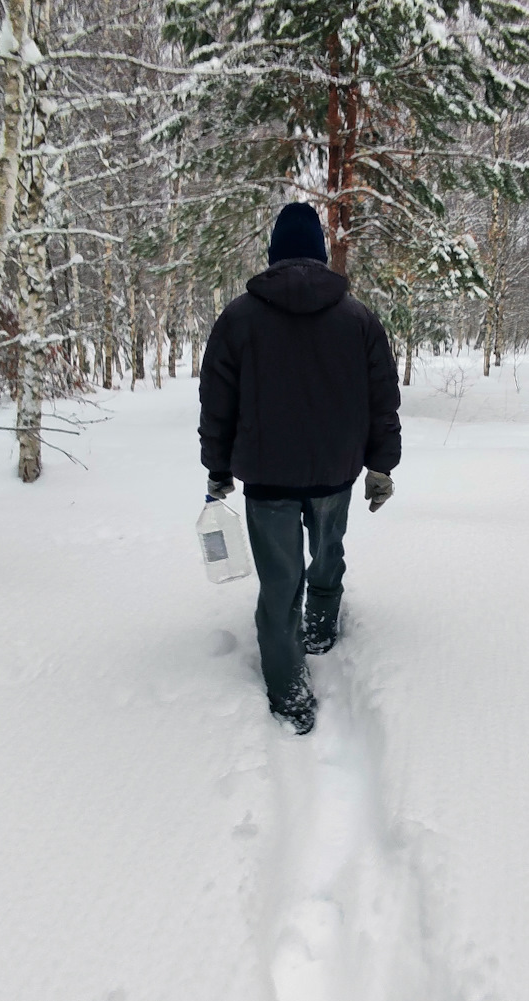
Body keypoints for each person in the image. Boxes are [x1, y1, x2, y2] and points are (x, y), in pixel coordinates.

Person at [198, 202, 401, 735]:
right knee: (328, 553)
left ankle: (289, 689)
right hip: (336, 472)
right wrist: (380, 466)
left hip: (268, 480)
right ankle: (321, 626)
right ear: (317, 253)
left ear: (274, 255)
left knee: (279, 581)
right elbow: (383, 400)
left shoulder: (239, 318)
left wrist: (217, 469)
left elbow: (216, 402)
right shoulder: (358, 318)